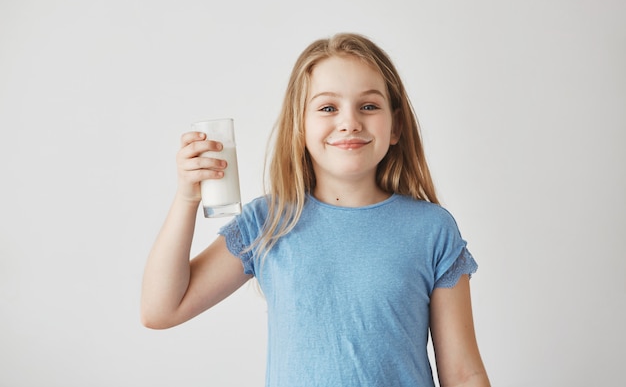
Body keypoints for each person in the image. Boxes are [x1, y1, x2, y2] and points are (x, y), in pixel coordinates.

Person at [141, 33, 490, 387]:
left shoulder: (431, 229)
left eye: (368, 106)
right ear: (299, 126)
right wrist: (187, 199)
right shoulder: (269, 222)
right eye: (327, 108)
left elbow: (463, 374)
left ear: (396, 125)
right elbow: (160, 309)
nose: (349, 122)